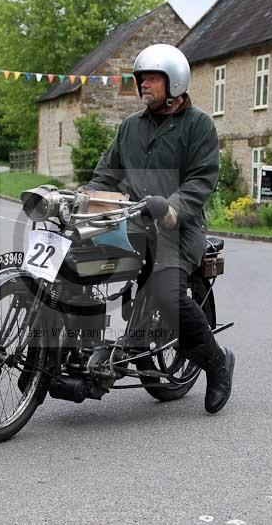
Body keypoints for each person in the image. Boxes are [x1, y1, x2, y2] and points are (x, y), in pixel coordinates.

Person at [79, 43, 235, 414]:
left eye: (152, 79)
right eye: (141, 79)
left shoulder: (198, 126)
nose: (144, 85)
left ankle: (217, 362)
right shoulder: (130, 127)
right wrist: (86, 196)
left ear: (175, 83)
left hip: (178, 232)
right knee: (75, 262)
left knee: (167, 293)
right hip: (131, 224)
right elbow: (107, 173)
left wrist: (172, 209)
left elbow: (201, 179)